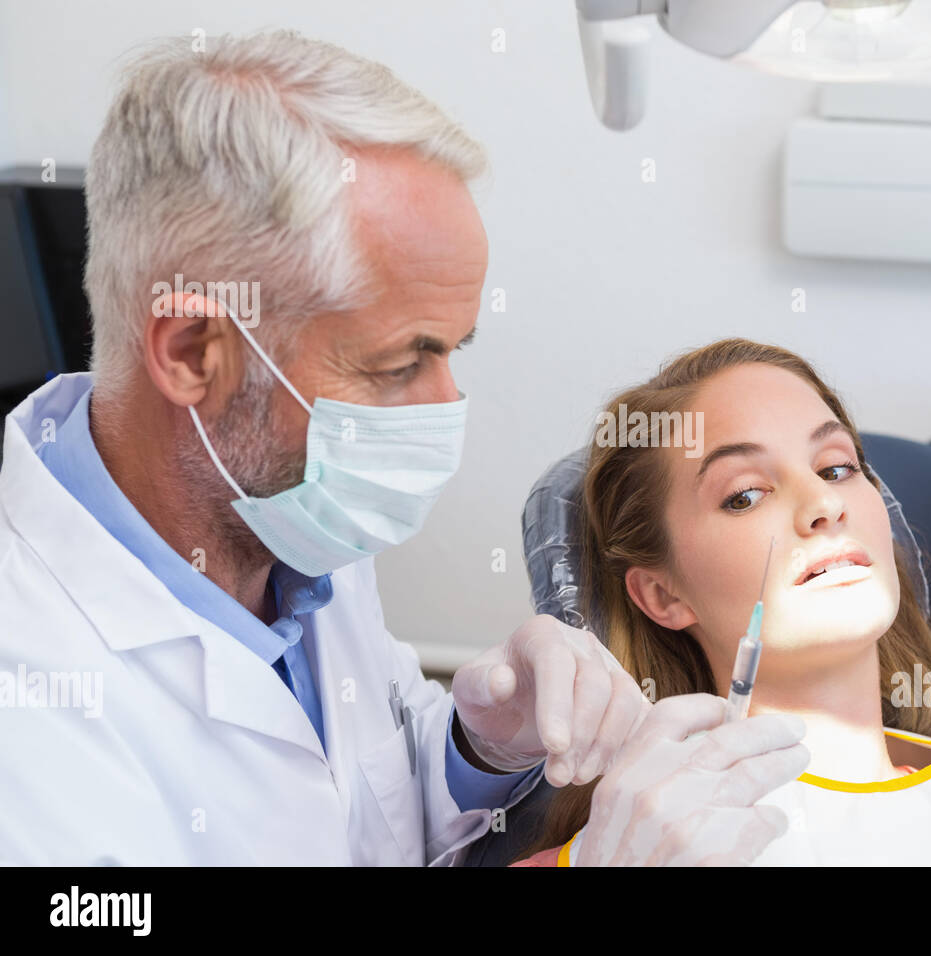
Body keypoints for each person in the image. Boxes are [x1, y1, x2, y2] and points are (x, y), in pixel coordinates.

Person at [0, 32, 805, 865]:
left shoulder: (284, 516)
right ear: (191, 352)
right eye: (400, 363)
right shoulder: (30, 719)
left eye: (456, 348)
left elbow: (364, 809)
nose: (446, 403)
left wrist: (479, 746)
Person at [513, 339, 931, 866]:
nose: (825, 505)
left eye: (835, 468)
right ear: (662, 594)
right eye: (744, 495)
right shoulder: (625, 853)